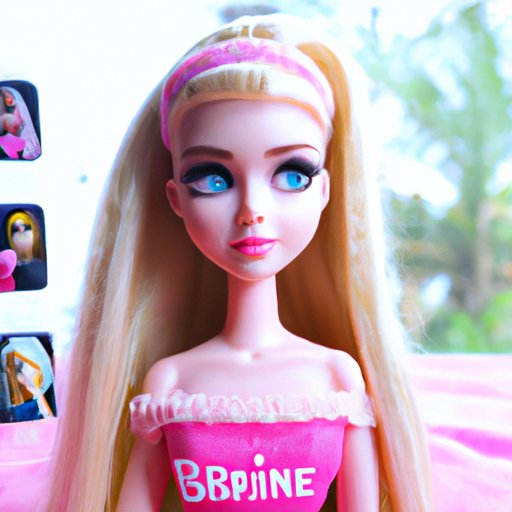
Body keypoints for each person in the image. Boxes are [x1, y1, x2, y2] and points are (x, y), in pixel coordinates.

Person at [48, 14, 430, 511]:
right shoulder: (171, 383)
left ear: (324, 191)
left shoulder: (337, 377)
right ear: (175, 198)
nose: (252, 211)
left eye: (292, 175)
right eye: (213, 178)